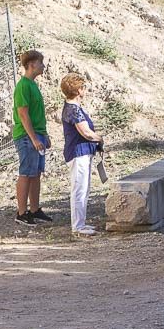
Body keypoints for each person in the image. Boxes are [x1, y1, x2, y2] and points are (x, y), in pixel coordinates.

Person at [13, 50, 52, 226]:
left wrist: (44, 136)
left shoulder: (33, 85)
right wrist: (34, 138)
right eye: (40, 62)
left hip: (37, 135)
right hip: (27, 137)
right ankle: (21, 212)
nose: (43, 65)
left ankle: (35, 209)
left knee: (36, 173)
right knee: (26, 173)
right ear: (31, 65)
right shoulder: (23, 86)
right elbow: (23, 114)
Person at [60, 73, 102, 237]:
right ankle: (78, 226)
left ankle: (81, 222)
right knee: (79, 188)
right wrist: (100, 139)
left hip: (83, 152)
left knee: (83, 188)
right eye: (83, 87)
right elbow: (86, 132)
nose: (85, 90)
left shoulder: (72, 108)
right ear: (78, 90)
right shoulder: (73, 109)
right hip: (78, 153)